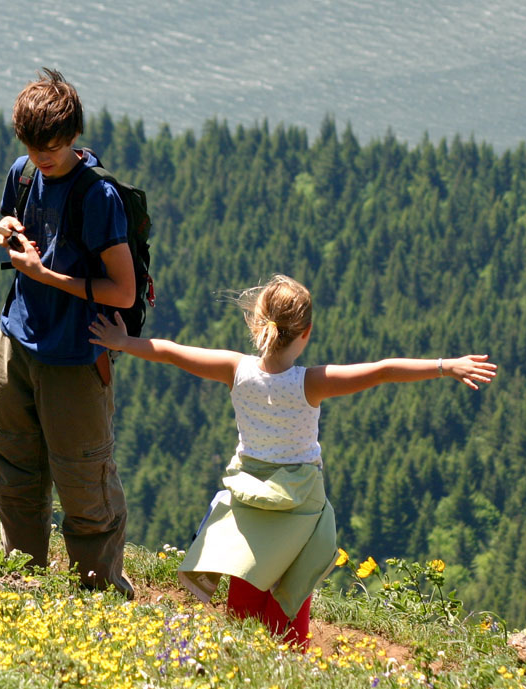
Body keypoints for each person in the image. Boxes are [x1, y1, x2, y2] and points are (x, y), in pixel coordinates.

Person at [89, 274, 497, 646]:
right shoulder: (310, 383)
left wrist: (124, 342)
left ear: (256, 324)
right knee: (292, 590)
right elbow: (383, 371)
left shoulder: (235, 369)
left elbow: (174, 353)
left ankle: (244, 661)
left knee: (246, 579)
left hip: (249, 498)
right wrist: (446, 366)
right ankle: (288, 654)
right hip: (299, 503)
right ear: (306, 333)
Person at [0, 68, 137, 597]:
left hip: (76, 355)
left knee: (83, 481)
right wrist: (9, 229)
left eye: (51, 146)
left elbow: (123, 291)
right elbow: (13, 215)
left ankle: (99, 592)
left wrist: (46, 275)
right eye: (32, 145)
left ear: (72, 135)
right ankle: (21, 578)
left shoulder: (98, 198)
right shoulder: (23, 172)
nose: (42, 156)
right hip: (19, 341)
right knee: (12, 462)